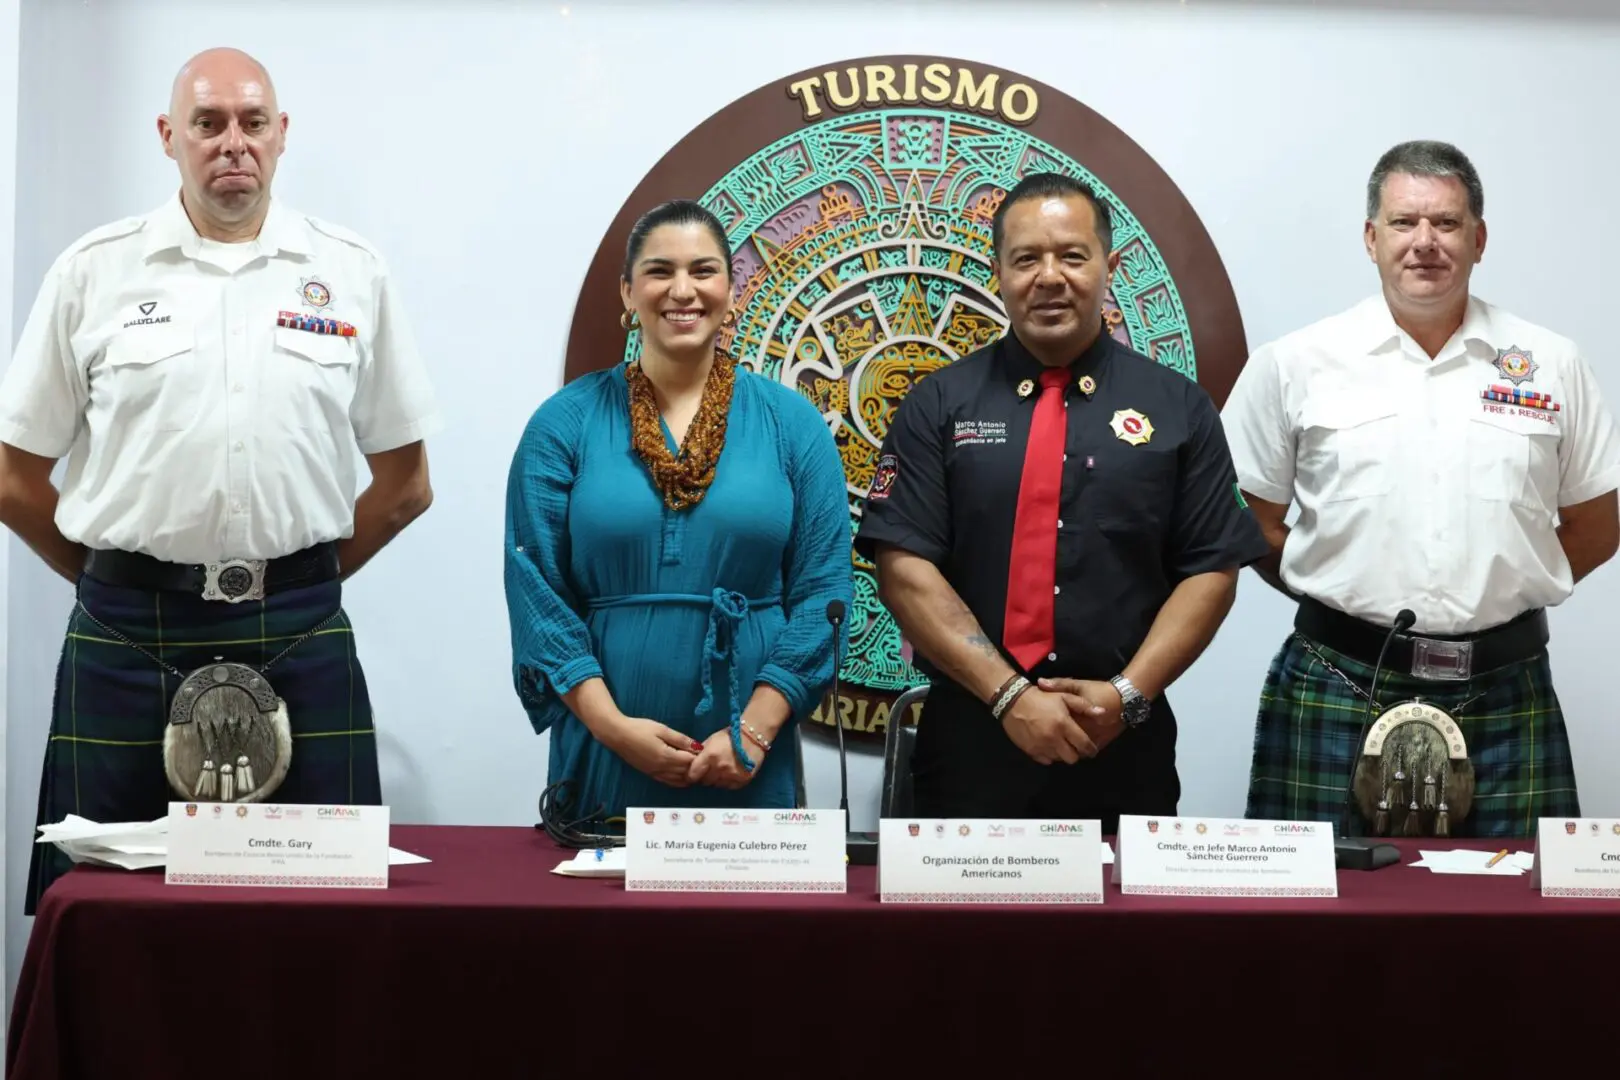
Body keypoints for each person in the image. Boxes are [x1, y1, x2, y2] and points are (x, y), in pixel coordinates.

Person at [0, 47, 442, 912]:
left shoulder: (351, 271)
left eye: (252, 121)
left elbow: (406, 485)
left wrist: (292, 583)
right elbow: (14, 476)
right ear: (169, 136)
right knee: (107, 918)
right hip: (124, 639)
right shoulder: (94, 272)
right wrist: (112, 579)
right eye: (207, 123)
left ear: (282, 134)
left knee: (321, 918)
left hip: (300, 633)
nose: (232, 141)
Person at [1223, 139, 1620, 837]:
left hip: (1505, 688)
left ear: (1479, 239)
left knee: (1511, 907)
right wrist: (1344, 592)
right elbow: (1250, 520)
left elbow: (1596, 523)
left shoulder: (1552, 364)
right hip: (1338, 679)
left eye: (1446, 223)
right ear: (1371, 238)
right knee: (1315, 905)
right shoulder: (1294, 363)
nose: (1425, 242)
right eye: (1404, 222)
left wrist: (1503, 582)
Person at [855, 172, 1268, 826]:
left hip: (1123, 741)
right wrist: (1008, 697)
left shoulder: (1179, 407)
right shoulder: (938, 404)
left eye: (1072, 256)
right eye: (1027, 259)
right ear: (998, 272)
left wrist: (1126, 695)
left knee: (1123, 901)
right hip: (971, 741)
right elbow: (903, 567)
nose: (1050, 277)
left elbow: (1212, 570)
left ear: (1109, 266)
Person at [505, 199, 852, 827]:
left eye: (703, 271)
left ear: (731, 289)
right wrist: (612, 727)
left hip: (748, 756)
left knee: (747, 896)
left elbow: (824, 594)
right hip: (605, 749)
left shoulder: (793, 426)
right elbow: (538, 595)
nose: (683, 291)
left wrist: (754, 730)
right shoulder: (564, 424)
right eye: (660, 271)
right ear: (627, 292)